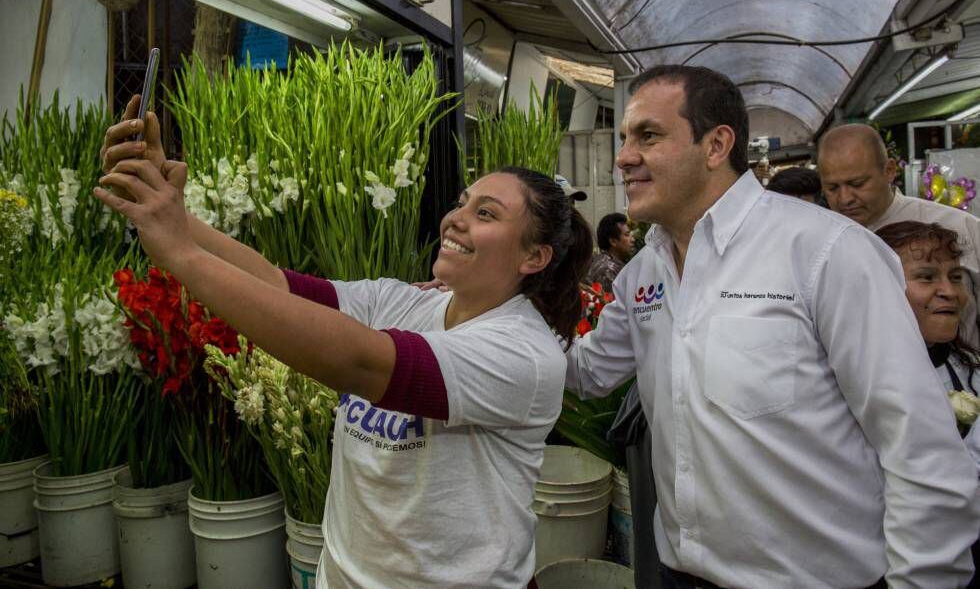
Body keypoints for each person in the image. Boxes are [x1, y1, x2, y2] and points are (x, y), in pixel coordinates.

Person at [96, 96, 594, 588]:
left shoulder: (525, 354)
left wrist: (179, 253)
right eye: (462, 202)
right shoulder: (403, 302)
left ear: (534, 257)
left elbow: (363, 364)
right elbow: (277, 284)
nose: (457, 218)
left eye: (486, 214)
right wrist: (172, 214)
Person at [565, 65, 980, 588]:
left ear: (716, 145)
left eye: (648, 135)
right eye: (625, 138)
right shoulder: (646, 271)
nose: (623, 156)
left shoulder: (825, 252)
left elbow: (920, 448)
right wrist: (493, 311)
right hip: (680, 575)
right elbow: (585, 372)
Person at [875, 220, 980, 586]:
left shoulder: (969, 372)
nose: (949, 292)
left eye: (955, 277)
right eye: (926, 277)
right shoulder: (860, 385)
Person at [818, 123, 980, 345]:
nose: (845, 198)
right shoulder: (822, 244)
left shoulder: (960, 227)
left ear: (889, 171)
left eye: (857, 184)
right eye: (832, 188)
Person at [588, 212, 634, 291]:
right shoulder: (607, 271)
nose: (633, 239)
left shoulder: (612, 263)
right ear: (613, 241)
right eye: (627, 235)